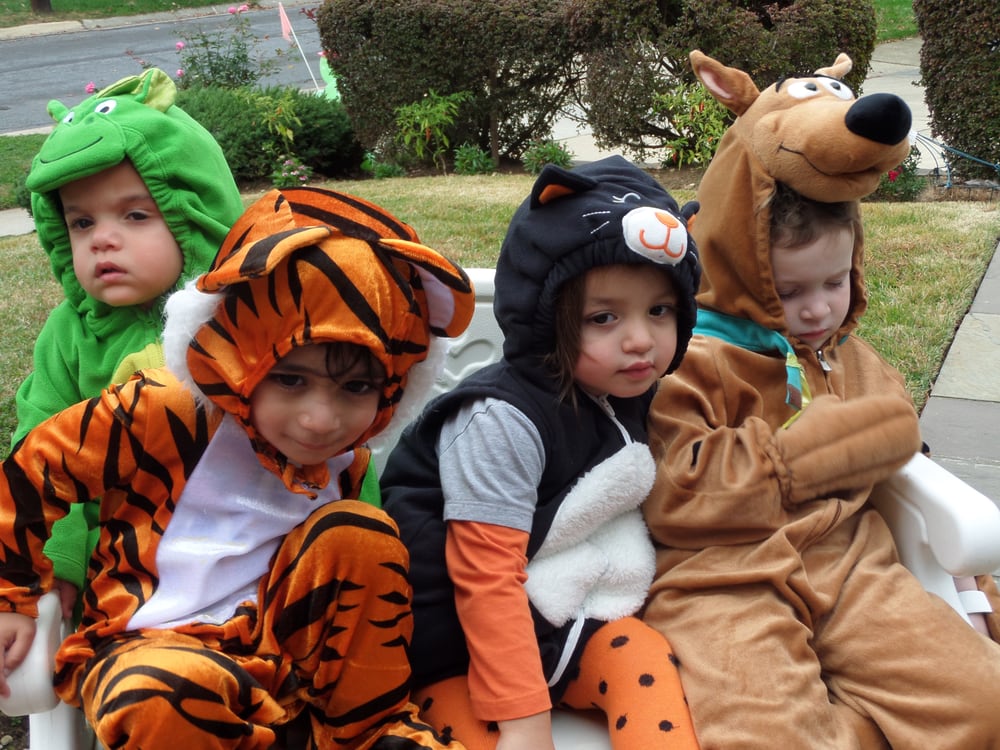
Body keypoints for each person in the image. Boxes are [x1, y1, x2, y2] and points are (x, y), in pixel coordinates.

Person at [0, 186, 476, 750]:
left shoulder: (349, 455)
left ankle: (369, 729)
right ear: (240, 354)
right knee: (156, 694)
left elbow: (352, 595)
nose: (320, 420)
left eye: (357, 387)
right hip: (150, 647)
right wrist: (13, 595)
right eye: (291, 379)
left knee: (362, 536)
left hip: (284, 664)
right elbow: (33, 472)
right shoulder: (163, 408)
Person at [641, 50, 1000, 750]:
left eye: (833, 283)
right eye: (792, 290)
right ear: (740, 263)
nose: (815, 312)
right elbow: (677, 494)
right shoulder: (688, 359)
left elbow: (904, 441)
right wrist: (805, 455)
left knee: (984, 706)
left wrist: (966, 590)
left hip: (849, 559)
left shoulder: (845, 353)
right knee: (767, 736)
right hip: (721, 579)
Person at [381, 155, 702, 750]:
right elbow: (484, 575)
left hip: (565, 615)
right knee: (448, 733)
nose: (640, 339)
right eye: (603, 317)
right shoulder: (501, 420)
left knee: (648, 663)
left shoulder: (623, 380)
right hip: (452, 635)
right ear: (545, 321)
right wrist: (526, 723)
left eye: (660, 310)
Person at [14, 68, 245, 622]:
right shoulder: (71, 335)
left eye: (136, 214)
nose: (102, 238)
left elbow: (331, 436)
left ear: (197, 214)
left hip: (257, 558)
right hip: (125, 578)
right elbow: (37, 454)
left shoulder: (252, 318)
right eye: (81, 222)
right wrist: (56, 564)